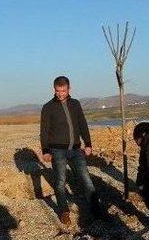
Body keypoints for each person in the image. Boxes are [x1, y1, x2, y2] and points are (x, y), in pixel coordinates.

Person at [40, 76, 106, 224]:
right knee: (60, 182)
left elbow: (82, 124)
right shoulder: (48, 107)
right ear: (54, 89)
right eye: (57, 91)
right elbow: (44, 131)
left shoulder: (75, 104)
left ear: (69, 89)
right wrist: (45, 150)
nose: (60, 94)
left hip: (76, 150)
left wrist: (88, 143)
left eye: (63, 90)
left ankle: (97, 210)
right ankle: (64, 211)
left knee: (86, 180)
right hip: (57, 151)